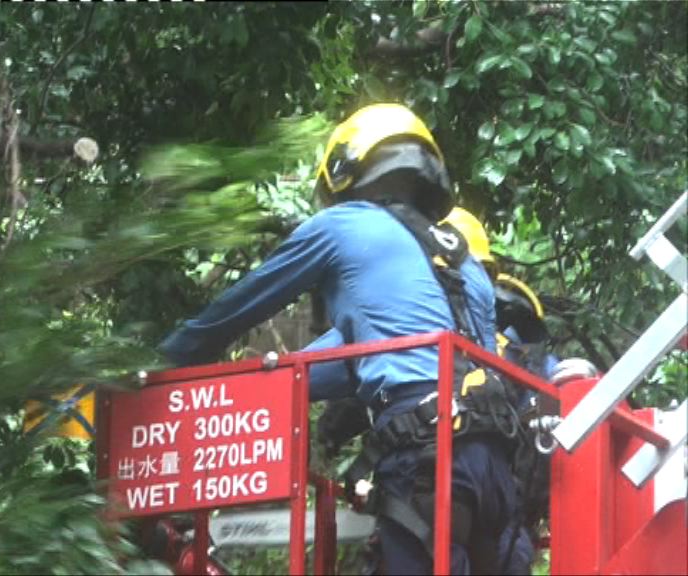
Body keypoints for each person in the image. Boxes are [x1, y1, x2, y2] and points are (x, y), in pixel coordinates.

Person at [160, 103, 527, 574]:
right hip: (495, 467)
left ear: (345, 167)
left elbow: (235, 310)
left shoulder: (345, 225)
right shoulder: (467, 266)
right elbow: (340, 363)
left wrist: (159, 366)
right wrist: (267, 385)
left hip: (427, 457)